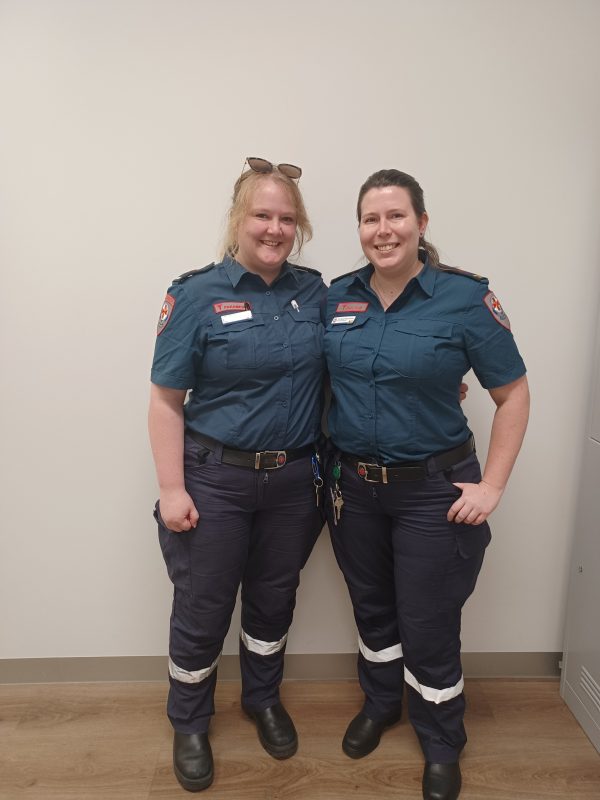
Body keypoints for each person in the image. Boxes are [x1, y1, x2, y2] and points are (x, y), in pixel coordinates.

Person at [324, 169, 530, 800]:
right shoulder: (337, 298)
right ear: (358, 228)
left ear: (421, 223)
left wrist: (491, 486)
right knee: (373, 608)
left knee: (429, 619)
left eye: (395, 216)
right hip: (354, 488)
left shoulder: (464, 300)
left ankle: (441, 740)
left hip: (432, 491)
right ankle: (382, 703)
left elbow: (513, 391)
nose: (382, 230)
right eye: (370, 219)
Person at [148, 157, 327, 792]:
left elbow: (355, 361)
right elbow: (167, 400)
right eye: (262, 215)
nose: (274, 228)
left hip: (294, 482)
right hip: (213, 479)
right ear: (238, 219)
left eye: (286, 217)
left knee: (274, 601)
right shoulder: (194, 294)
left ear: (298, 225)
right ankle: (190, 721)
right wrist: (173, 488)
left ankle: (262, 698)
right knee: (203, 608)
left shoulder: (317, 291)